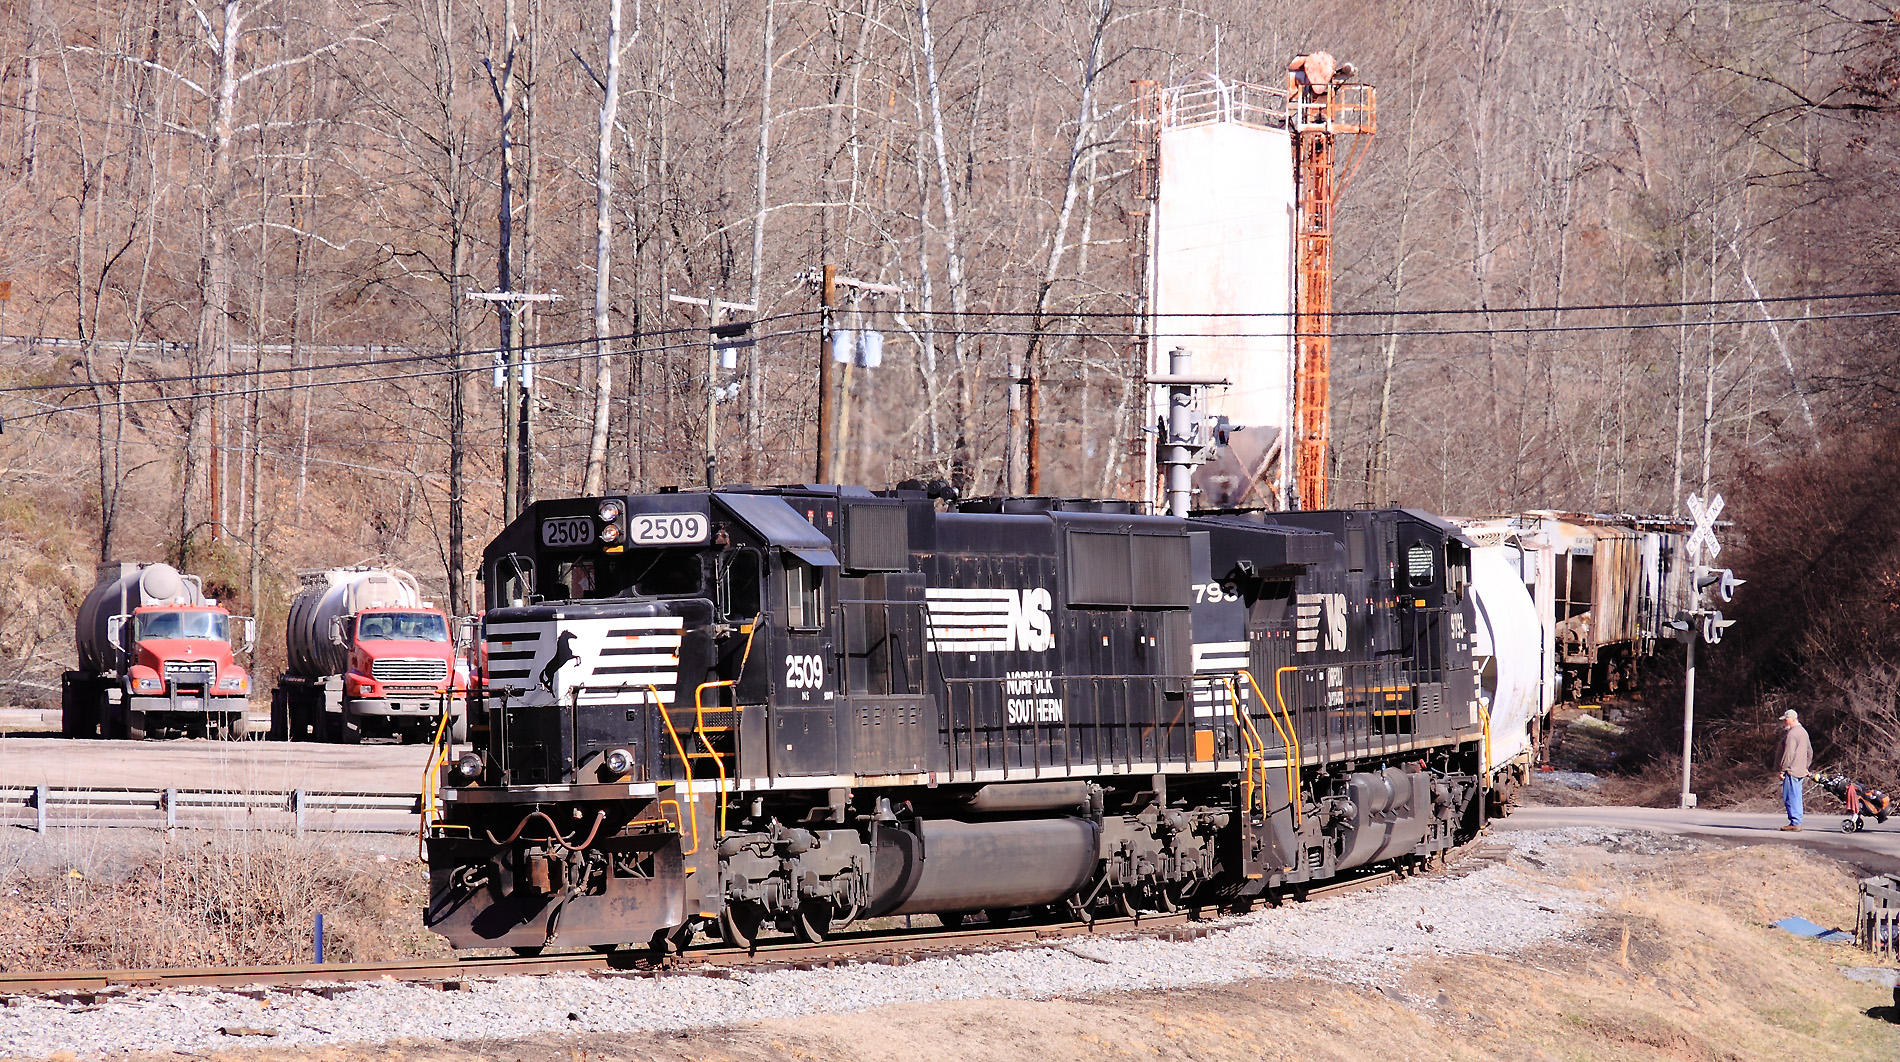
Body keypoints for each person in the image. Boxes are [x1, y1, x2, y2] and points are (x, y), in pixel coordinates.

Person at [1777, 708, 1813, 831]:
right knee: (1796, 796)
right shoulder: (1803, 732)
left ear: (1791, 719)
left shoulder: (1792, 734)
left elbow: (1788, 754)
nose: (1784, 722)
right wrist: (1805, 767)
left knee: (1790, 797)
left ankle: (1795, 823)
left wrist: (1782, 770)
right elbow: (1810, 752)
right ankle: (1796, 821)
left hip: (1792, 770)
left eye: (1785, 720)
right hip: (1800, 770)